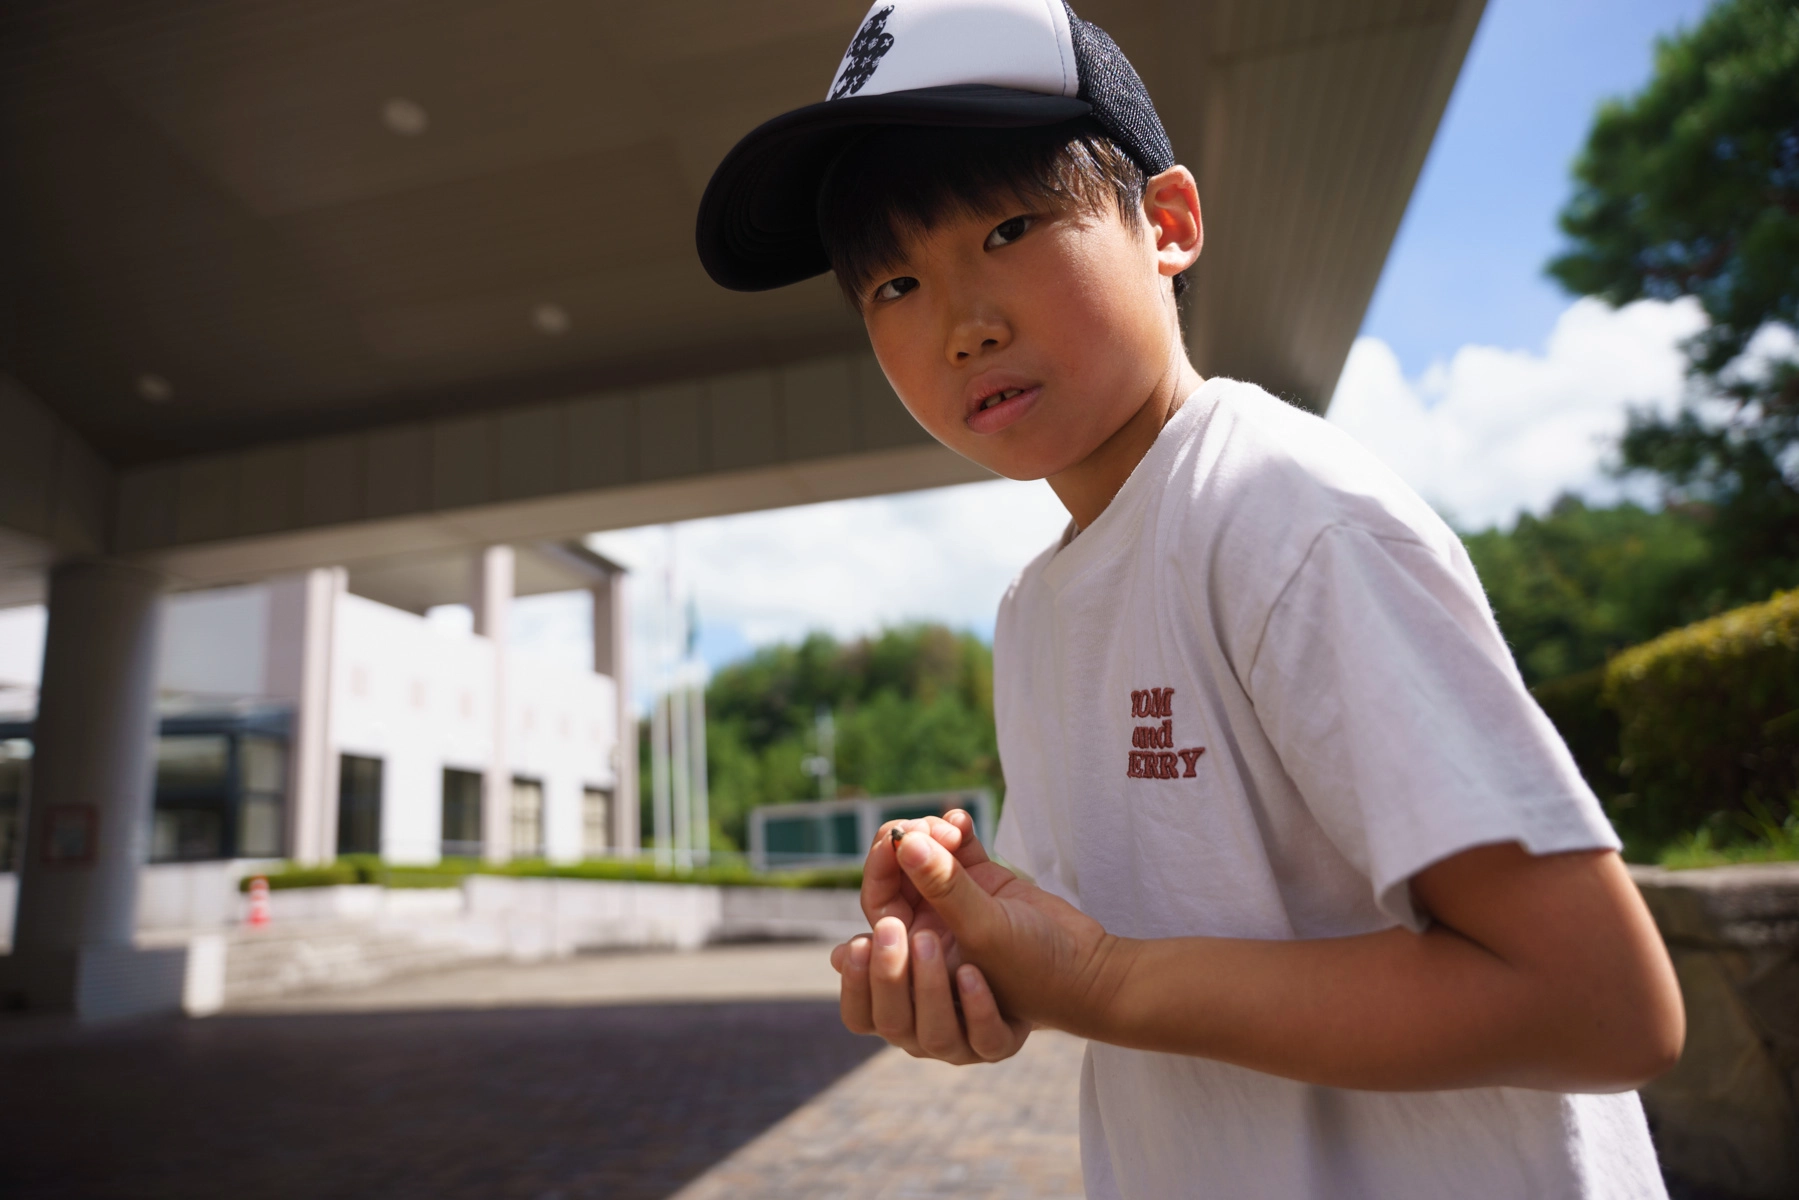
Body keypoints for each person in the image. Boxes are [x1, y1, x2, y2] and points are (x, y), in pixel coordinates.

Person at [696, 2, 1684, 1196]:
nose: (962, 325)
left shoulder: (1281, 515)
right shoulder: (1034, 611)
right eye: (893, 284)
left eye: (1008, 228)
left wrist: (1100, 981)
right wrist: (982, 968)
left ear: (1165, 223)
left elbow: (1596, 1003)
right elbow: (1109, 956)